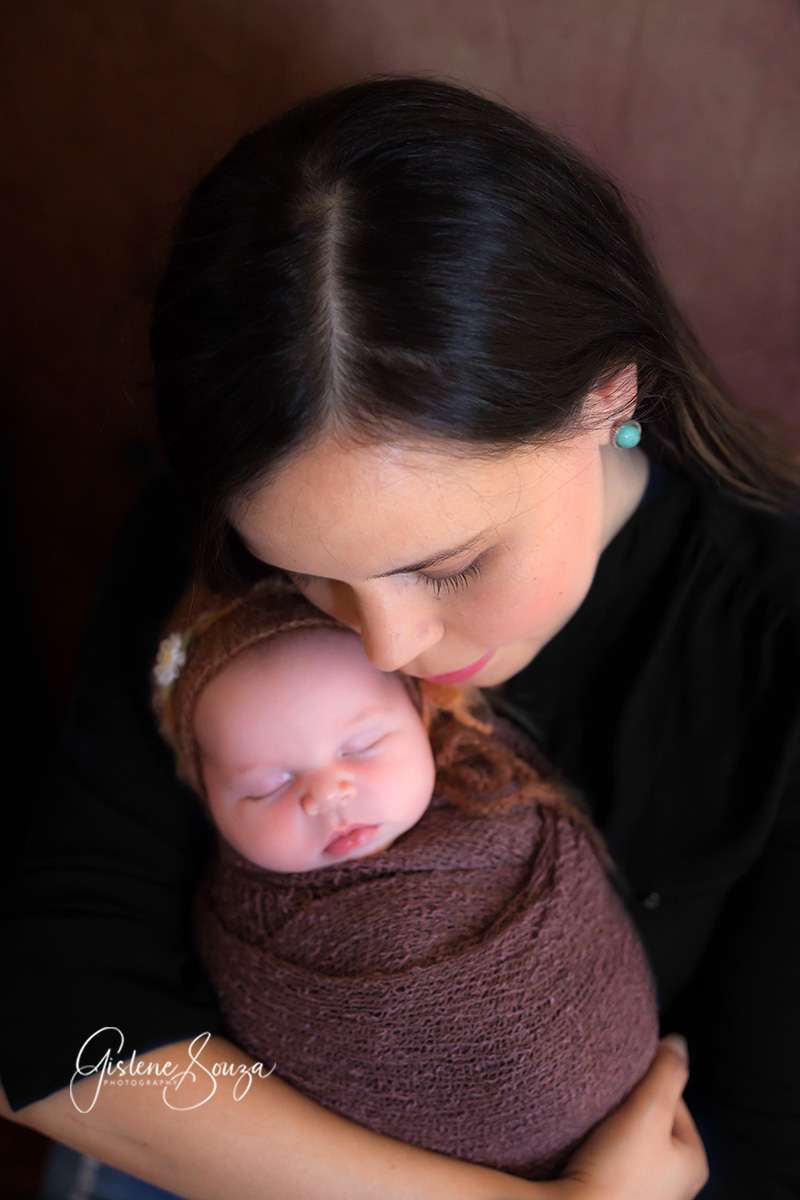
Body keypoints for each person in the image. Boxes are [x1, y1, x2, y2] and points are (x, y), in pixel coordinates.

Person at [4, 73, 799, 1199]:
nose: (385, 648)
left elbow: (761, 1149)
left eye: (451, 563)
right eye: (304, 574)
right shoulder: (214, 542)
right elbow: (57, 1020)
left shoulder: (768, 643)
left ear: (611, 392)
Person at [150, 580, 659, 1181]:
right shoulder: (236, 926)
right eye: (268, 786)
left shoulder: (498, 792)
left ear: (423, 714)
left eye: (363, 745)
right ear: (208, 802)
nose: (326, 795)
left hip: (634, 1120)